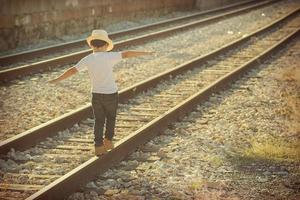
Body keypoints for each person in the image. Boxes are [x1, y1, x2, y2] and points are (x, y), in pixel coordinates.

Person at [49, 29, 153, 156]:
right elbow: (126, 54)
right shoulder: (110, 56)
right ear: (105, 45)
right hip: (111, 94)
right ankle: (108, 140)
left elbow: (73, 70)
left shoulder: (87, 59)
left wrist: (57, 79)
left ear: (92, 45)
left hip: (96, 95)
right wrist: (146, 52)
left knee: (99, 120)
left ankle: (98, 146)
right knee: (111, 118)